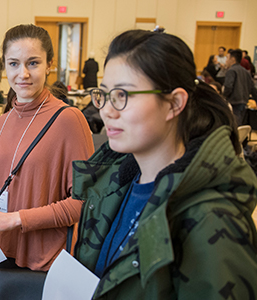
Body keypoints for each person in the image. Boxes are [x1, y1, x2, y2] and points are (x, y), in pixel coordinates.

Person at [73, 28, 257, 299]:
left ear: (174, 103)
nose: (107, 111)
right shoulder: (116, 184)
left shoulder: (211, 220)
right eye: (104, 94)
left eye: (123, 95)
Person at [0, 24, 94, 300]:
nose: (22, 74)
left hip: (46, 262)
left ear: (49, 65)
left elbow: (84, 203)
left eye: (33, 63)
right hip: (1, 251)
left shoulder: (69, 120)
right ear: (4, 67)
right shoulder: (1, 122)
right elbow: (11, 183)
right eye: (14, 63)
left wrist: (16, 219)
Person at [223, 48, 257, 125]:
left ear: (233, 59)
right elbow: (252, 88)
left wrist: (223, 98)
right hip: (244, 102)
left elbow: (228, 87)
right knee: (240, 123)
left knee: (235, 125)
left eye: (227, 58)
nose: (226, 61)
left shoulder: (231, 71)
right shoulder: (246, 72)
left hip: (234, 102)